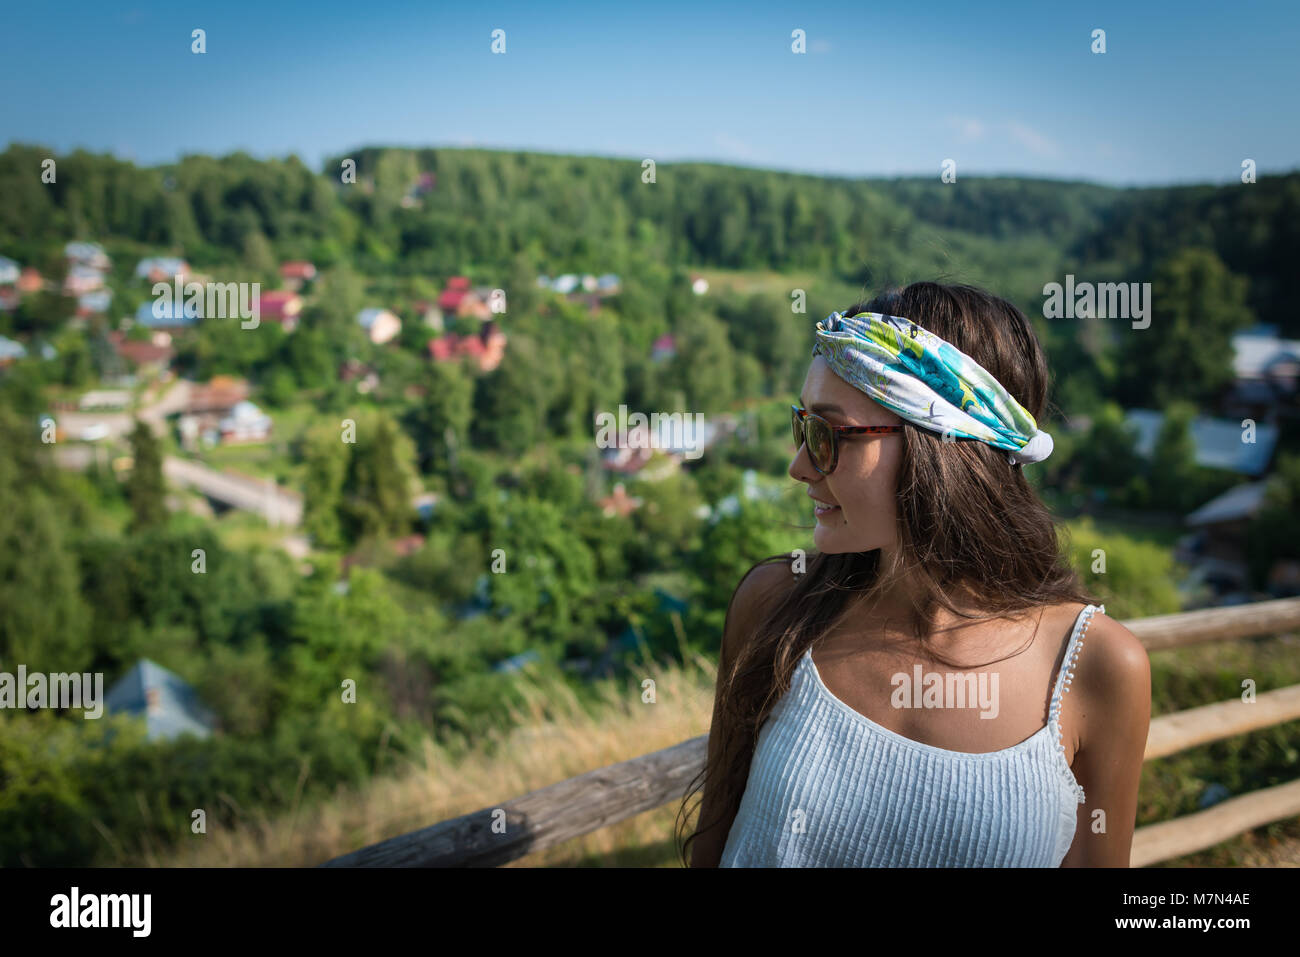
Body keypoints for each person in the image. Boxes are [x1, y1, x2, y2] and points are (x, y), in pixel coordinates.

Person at [680, 282, 1150, 867]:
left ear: (939, 447)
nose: (799, 465)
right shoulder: (775, 607)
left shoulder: (1094, 667)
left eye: (828, 435)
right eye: (801, 427)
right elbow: (714, 846)